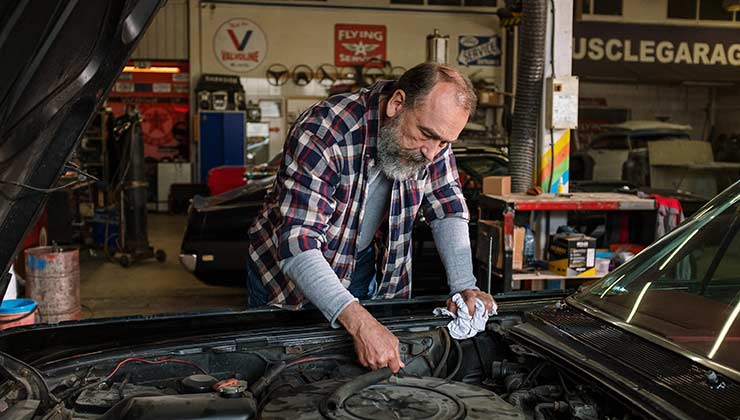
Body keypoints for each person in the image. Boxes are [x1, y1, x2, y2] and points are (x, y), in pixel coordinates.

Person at [246, 62, 495, 373]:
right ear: (396, 104)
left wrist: (463, 285)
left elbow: (447, 206)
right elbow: (300, 243)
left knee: (358, 372)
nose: (433, 154)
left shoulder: (433, 140)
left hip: (363, 264)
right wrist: (360, 322)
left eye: (444, 142)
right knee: (289, 373)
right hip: (290, 279)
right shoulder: (324, 131)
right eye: (426, 135)